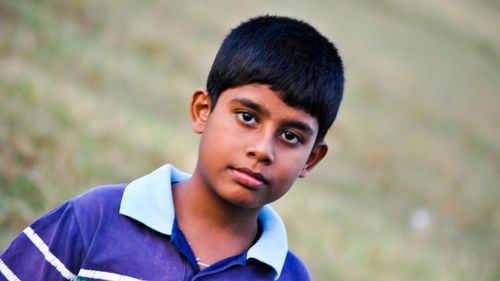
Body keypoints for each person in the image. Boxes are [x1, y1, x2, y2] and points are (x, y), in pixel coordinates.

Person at [0, 15, 344, 281]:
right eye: (247, 117)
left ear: (311, 159)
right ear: (202, 111)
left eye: (291, 137)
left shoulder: (288, 276)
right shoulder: (95, 219)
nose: (262, 149)